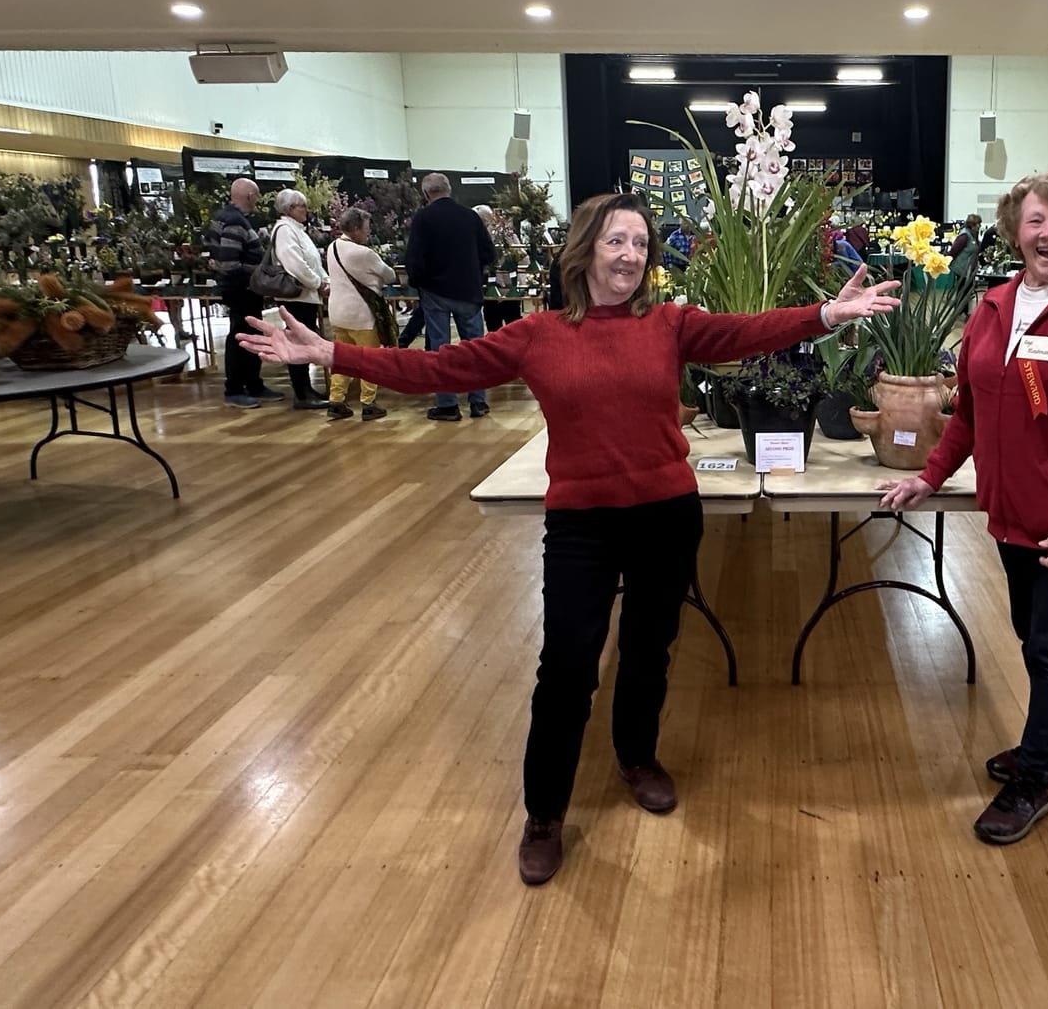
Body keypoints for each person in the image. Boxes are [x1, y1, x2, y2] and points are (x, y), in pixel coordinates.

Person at [240, 191, 902, 885]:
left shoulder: (670, 323)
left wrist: (827, 315)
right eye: (617, 241)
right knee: (566, 669)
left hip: (666, 515)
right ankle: (545, 811)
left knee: (649, 651)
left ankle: (636, 757)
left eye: (640, 243)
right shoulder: (538, 334)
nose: (631, 255)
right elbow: (438, 369)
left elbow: (747, 332)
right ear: (585, 251)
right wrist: (333, 353)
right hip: (582, 526)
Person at [878, 170, 1048, 846]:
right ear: (1014, 231)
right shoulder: (995, 307)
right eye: (1035, 220)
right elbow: (969, 415)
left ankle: (1034, 778)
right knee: (1035, 635)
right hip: (1007, 515)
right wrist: (930, 477)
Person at [404, 172, 498, 420]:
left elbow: (414, 258)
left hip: (436, 292)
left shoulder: (423, 218)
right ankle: (478, 402)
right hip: (468, 290)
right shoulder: (470, 216)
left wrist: (418, 284)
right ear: (449, 189)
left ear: (426, 194)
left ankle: (447, 405)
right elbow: (489, 253)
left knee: (441, 348)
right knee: (475, 347)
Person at [204, 177, 283, 408]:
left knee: (251, 336)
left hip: (244, 289)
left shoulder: (224, 216)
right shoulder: (234, 221)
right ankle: (235, 389)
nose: (257, 200)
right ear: (250, 196)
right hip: (241, 290)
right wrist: (254, 278)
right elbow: (229, 263)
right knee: (240, 336)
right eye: (256, 196)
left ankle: (253, 384)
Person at [323, 207, 398, 421]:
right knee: (369, 358)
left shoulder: (332, 247)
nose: (368, 231)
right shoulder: (364, 253)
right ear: (356, 229)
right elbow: (390, 275)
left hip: (338, 313)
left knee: (343, 359)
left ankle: (336, 400)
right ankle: (368, 403)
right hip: (361, 314)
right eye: (366, 227)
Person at [268, 189, 331, 410]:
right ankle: (302, 393)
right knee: (298, 343)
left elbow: (312, 261)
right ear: (289, 209)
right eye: (301, 206)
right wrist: (318, 283)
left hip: (306, 297)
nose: (306, 209)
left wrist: (325, 281)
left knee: (304, 341)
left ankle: (306, 389)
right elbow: (295, 265)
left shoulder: (298, 230)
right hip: (296, 297)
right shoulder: (285, 230)